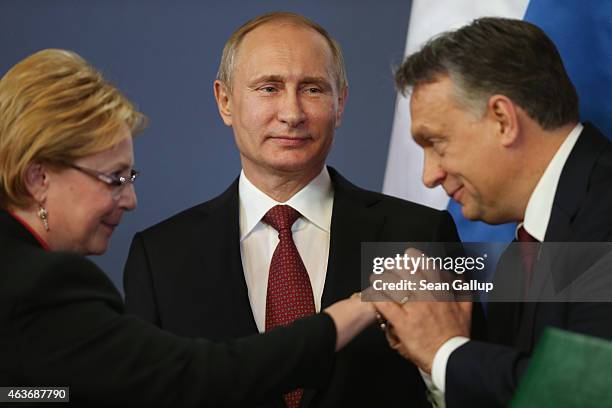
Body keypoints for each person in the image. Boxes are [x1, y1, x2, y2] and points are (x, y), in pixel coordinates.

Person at [0, 48, 377, 407]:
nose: (131, 200)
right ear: (39, 178)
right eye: (114, 178)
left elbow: (36, 391)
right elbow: (189, 376)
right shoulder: (47, 283)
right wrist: (356, 308)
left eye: (312, 88)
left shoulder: (415, 230)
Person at [123, 11, 459, 408]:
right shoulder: (161, 256)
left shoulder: (420, 234)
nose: (292, 113)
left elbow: (468, 384)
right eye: (269, 88)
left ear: (340, 103)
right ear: (225, 101)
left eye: (313, 89)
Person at [374, 17, 612, 407]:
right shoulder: (521, 256)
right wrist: (433, 355)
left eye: (436, 142)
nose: (429, 175)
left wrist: (445, 351)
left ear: (503, 120)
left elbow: (585, 396)